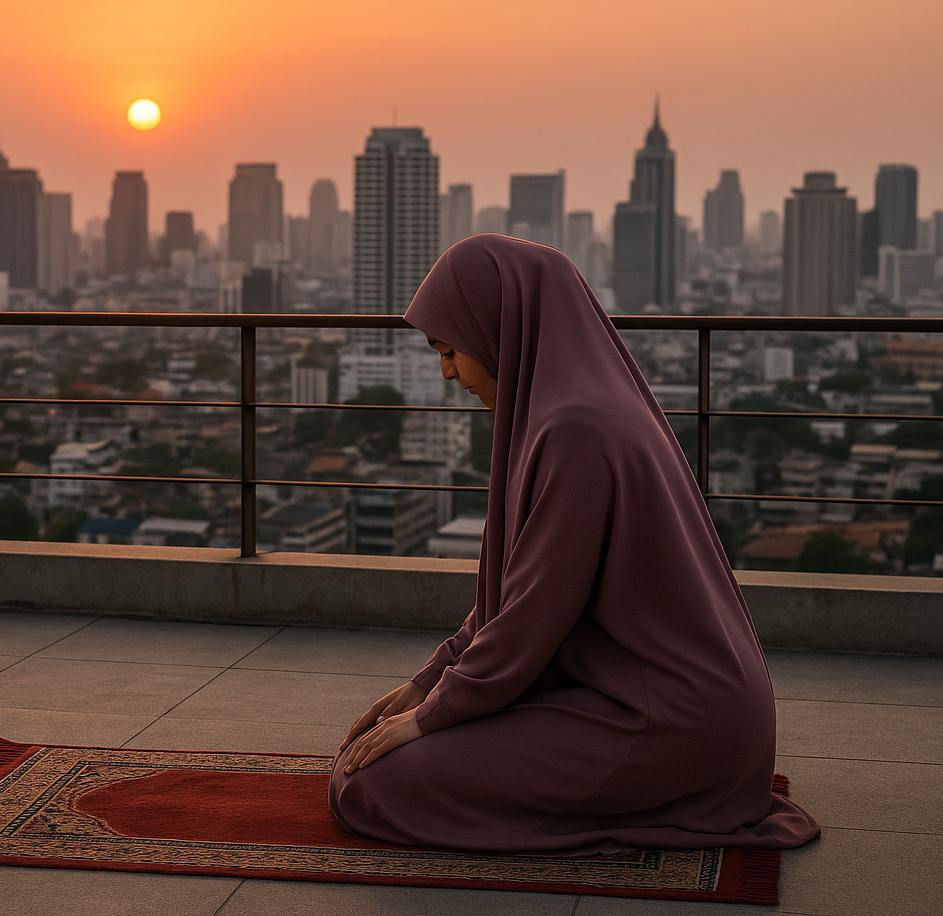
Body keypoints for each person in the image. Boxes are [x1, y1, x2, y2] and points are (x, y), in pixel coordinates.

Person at [329, 234, 819, 853]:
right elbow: (522, 591)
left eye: (449, 350)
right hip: (679, 707)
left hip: (667, 721)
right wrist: (428, 683)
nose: (448, 372)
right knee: (368, 760)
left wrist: (431, 717)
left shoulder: (574, 431)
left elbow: (533, 615)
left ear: (496, 330)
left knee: (369, 785)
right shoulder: (573, 410)